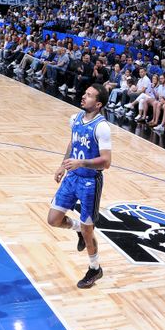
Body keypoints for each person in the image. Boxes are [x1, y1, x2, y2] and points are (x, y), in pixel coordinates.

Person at [47, 84, 112, 289]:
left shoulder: (102, 127)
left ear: (98, 104)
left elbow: (106, 162)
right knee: (53, 219)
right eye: (84, 93)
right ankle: (76, 229)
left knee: (88, 230)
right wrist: (63, 165)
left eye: (89, 95)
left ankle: (95, 268)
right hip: (72, 177)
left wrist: (81, 162)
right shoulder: (74, 119)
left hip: (90, 182)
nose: (83, 97)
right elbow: (72, 143)